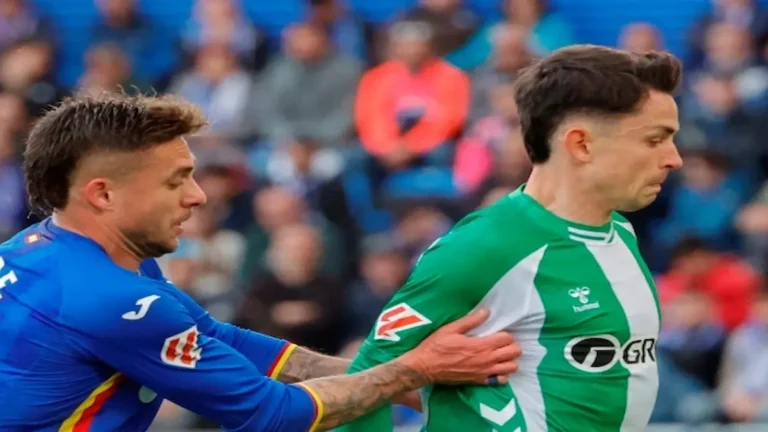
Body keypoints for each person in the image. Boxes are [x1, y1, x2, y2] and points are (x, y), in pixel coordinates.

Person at [0, 93, 523, 431]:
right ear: (102, 195)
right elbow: (272, 415)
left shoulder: (38, 248)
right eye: (175, 180)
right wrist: (417, 366)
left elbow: (220, 338)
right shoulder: (111, 300)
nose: (199, 196)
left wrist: (395, 378)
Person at [339, 44, 684, 432]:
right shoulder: (487, 245)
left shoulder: (620, 232)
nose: (674, 158)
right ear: (581, 144)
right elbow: (370, 376)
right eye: (655, 139)